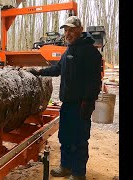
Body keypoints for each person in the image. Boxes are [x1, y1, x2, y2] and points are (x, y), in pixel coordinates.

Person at [29, 16, 102, 180]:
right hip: (67, 103)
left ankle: (78, 173)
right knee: (65, 136)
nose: (68, 33)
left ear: (79, 30)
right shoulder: (69, 50)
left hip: (81, 105)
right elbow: (57, 69)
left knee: (79, 139)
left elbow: (95, 80)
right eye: (66, 30)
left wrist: (88, 101)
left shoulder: (90, 52)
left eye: (71, 30)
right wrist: (39, 72)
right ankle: (66, 166)